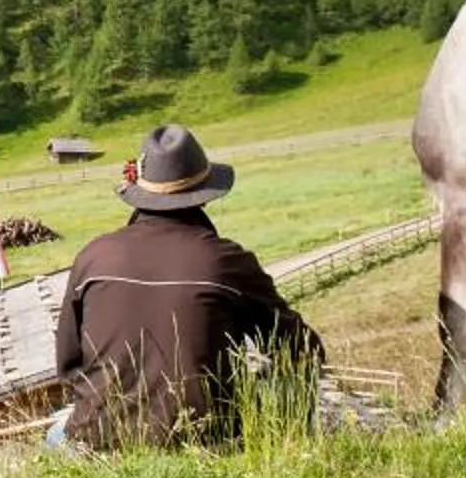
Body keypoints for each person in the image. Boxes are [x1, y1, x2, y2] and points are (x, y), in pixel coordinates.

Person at [51, 124, 322, 450]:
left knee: (54, 435)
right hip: (205, 442)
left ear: (139, 192)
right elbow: (303, 350)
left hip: (98, 441)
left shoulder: (93, 255)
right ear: (204, 196)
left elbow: (68, 365)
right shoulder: (226, 260)